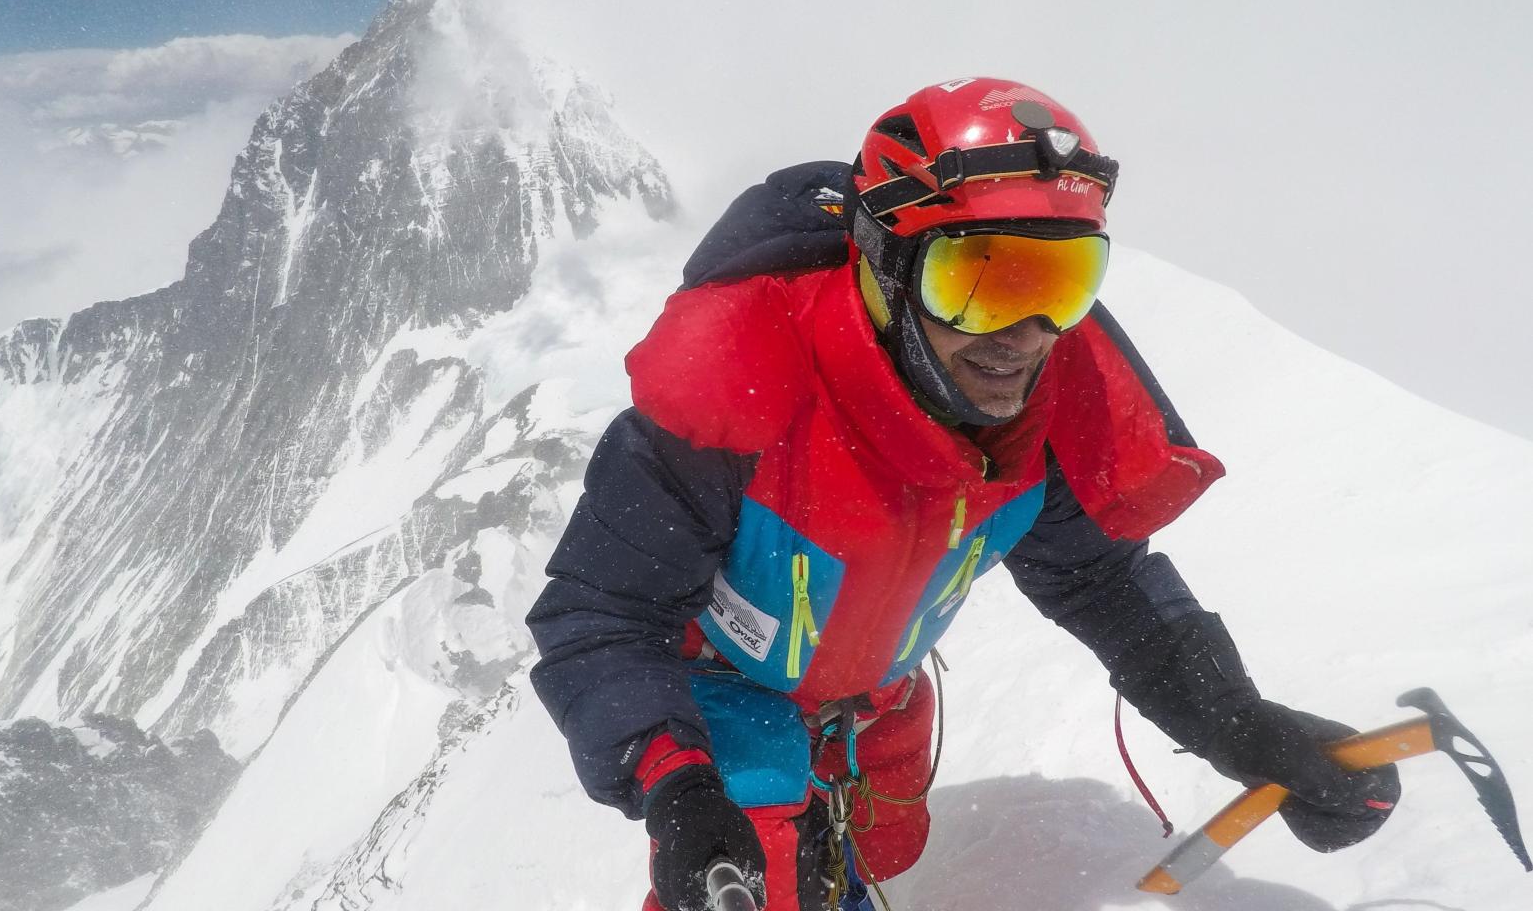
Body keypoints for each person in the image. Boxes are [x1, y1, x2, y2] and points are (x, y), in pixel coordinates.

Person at [526, 77, 1400, 911]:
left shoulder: (1037, 422)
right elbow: (600, 615)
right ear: (885, 265)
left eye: (1060, 284)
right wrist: (676, 781)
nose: (1023, 336)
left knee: (887, 848)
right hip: (720, 699)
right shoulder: (736, 396)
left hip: (875, 693)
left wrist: (1242, 727)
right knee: (757, 848)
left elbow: (1101, 582)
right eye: (978, 280)